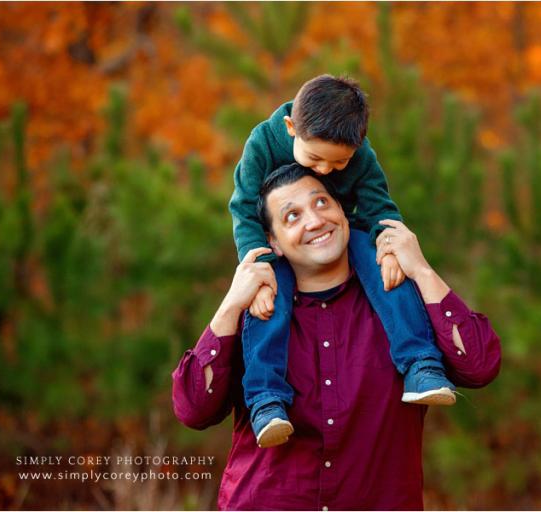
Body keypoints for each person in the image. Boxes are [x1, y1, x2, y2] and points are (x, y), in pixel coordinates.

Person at [172, 164, 501, 510]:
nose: (314, 221)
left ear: (343, 211)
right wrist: (230, 305)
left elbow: (479, 365)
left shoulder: (400, 305)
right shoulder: (256, 315)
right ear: (273, 242)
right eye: (292, 216)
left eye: (322, 203)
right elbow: (194, 409)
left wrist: (421, 270)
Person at [228, 74, 456, 448]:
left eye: (339, 162)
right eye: (315, 157)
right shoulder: (263, 142)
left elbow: (378, 205)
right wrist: (258, 268)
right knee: (269, 298)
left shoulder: (362, 157)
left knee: (385, 270)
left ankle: (421, 363)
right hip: (285, 243)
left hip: (343, 232)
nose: (324, 170)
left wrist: (388, 244)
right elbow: (242, 208)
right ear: (291, 128)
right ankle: (266, 399)